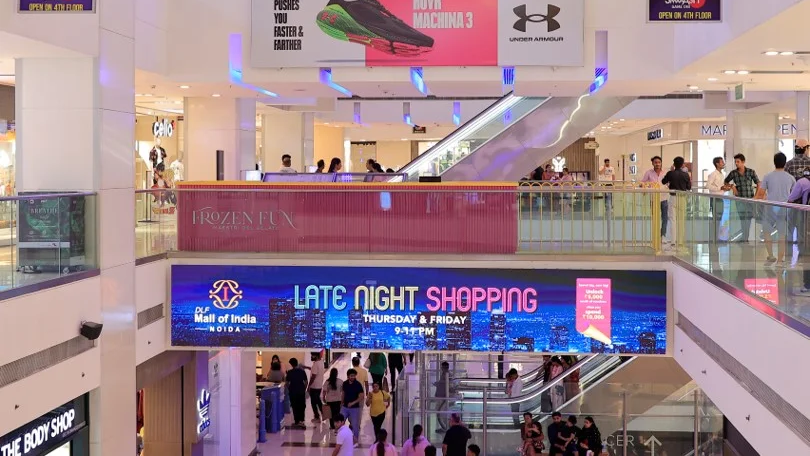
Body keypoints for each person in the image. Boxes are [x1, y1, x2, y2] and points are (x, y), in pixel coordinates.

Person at [755, 152, 795, 267]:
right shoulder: (790, 178)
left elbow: (761, 193)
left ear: (774, 162)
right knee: (782, 234)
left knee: (767, 231)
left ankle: (771, 255)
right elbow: (794, 194)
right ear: (785, 163)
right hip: (784, 208)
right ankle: (780, 260)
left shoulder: (767, 176)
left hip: (770, 207)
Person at [724, 153, 760, 242]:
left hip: (750, 200)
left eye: (738, 161)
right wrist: (732, 186)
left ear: (743, 162)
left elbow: (758, 183)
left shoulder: (751, 171)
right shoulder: (733, 173)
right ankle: (745, 237)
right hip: (739, 200)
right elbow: (725, 181)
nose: (736, 163)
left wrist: (756, 196)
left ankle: (746, 237)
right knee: (742, 218)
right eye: (735, 162)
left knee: (749, 218)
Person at [662, 156, 692, 250]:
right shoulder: (686, 175)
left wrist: (671, 171)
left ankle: (673, 241)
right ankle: (680, 240)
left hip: (673, 197)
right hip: (682, 198)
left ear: (674, 164)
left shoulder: (670, 173)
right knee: (681, 219)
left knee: (672, 219)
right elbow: (689, 187)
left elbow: (663, 181)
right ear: (683, 164)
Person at [788, 167, 810, 294]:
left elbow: (791, 199)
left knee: (807, 252)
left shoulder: (802, 182)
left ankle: (807, 285)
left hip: (806, 219)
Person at [785, 140, 810, 246]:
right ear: (805, 148)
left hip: (792, 201)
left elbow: (785, 181)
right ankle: (804, 247)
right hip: (807, 202)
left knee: (791, 225)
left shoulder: (789, 164)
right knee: (805, 226)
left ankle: (789, 250)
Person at [641, 156, 669, 243]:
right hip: (653, 198)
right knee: (655, 218)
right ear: (652, 163)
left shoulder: (665, 173)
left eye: (659, 162)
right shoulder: (648, 173)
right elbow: (642, 182)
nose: (657, 164)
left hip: (664, 198)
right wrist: (645, 187)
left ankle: (663, 235)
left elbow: (669, 183)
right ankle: (656, 235)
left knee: (664, 218)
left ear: (661, 163)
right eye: (655, 162)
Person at [342, 368, 365, 444]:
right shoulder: (345, 383)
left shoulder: (358, 385)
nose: (353, 377)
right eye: (351, 376)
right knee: (340, 422)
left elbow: (361, 396)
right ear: (348, 376)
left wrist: (352, 403)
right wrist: (342, 403)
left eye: (354, 376)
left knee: (355, 425)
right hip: (344, 407)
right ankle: (341, 438)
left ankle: (355, 440)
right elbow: (343, 393)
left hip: (355, 408)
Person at [706, 156, 727, 241]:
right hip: (715, 199)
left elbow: (720, 187)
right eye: (722, 162)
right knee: (716, 219)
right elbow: (708, 185)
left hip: (720, 198)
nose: (723, 163)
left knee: (719, 218)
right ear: (717, 164)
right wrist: (719, 188)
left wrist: (725, 188)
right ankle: (714, 237)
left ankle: (716, 237)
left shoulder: (721, 174)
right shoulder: (713, 174)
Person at [286, 358, 308, 428]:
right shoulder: (302, 371)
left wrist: (289, 388)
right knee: (301, 406)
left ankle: (297, 421)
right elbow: (306, 382)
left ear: (291, 364)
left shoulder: (289, 372)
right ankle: (301, 420)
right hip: (301, 391)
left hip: (293, 391)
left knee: (295, 406)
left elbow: (287, 383)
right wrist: (304, 388)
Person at [308, 352, 326, 423]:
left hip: (314, 386)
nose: (311, 357)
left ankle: (317, 417)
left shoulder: (315, 364)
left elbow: (313, 376)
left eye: (312, 355)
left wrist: (309, 385)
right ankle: (323, 414)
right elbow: (315, 370)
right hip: (319, 386)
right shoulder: (321, 362)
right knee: (318, 401)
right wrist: (307, 367)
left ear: (316, 356)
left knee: (313, 402)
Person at [434, 361, 451, 431]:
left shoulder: (447, 374)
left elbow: (446, 385)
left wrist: (437, 384)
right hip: (441, 395)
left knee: (441, 413)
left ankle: (445, 427)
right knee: (440, 412)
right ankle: (444, 427)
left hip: (443, 396)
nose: (442, 368)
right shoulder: (444, 374)